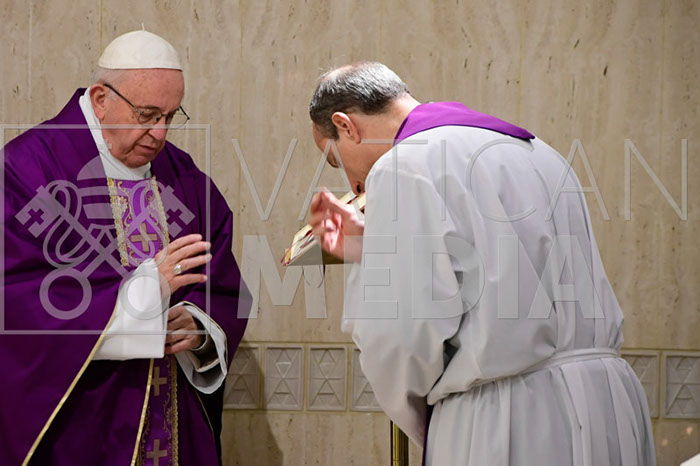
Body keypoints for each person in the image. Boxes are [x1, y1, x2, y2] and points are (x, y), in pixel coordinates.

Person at [308, 62, 655, 465]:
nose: (353, 185)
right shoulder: (540, 153)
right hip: (606, 408)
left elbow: (400, 337)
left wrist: (430, 423)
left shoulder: (403, 166)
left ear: (345, 125)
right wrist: (373, 246)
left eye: (335, 160)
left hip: (510, 421)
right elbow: (501, 265)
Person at [1, 30, 250, 465]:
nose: (159, 133)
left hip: (173, 418)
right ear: (101, 99)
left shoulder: (181, 176)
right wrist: (149, 289)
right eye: (147, 114)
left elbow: (222, 282)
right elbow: (19, 300)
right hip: (82, 426)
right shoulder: (29, 168)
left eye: (170, 116)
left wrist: (199, 328)